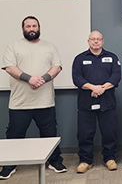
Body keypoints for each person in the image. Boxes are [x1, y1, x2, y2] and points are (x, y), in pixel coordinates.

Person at [0, 16, 66, 180]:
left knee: (50, 133)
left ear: (39, 27)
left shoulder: (49, 47)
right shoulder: (13, 46)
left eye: (34, 25)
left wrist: (42, 79)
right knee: (14, 135)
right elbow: (9, 67)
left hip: (45, 101)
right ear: (23, 28)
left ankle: (54, 161)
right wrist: (29, 78)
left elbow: (57, 67)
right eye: (28, 26)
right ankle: (9, 165)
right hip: (20, 102)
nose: (31, 28)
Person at [72, 31, 121, 173]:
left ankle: (110, 158)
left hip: (107, 102)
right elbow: (77, 79)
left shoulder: (112, 57)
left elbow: (116, 77)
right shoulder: (79, 59)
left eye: (99, 39)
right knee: (85, 133)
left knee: (109, 132)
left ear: (103, 41)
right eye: (93, 39)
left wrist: (101, 88)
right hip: (86, 102)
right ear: (88, 41)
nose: (96, 41)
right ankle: (85, 160)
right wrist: (93, 87)